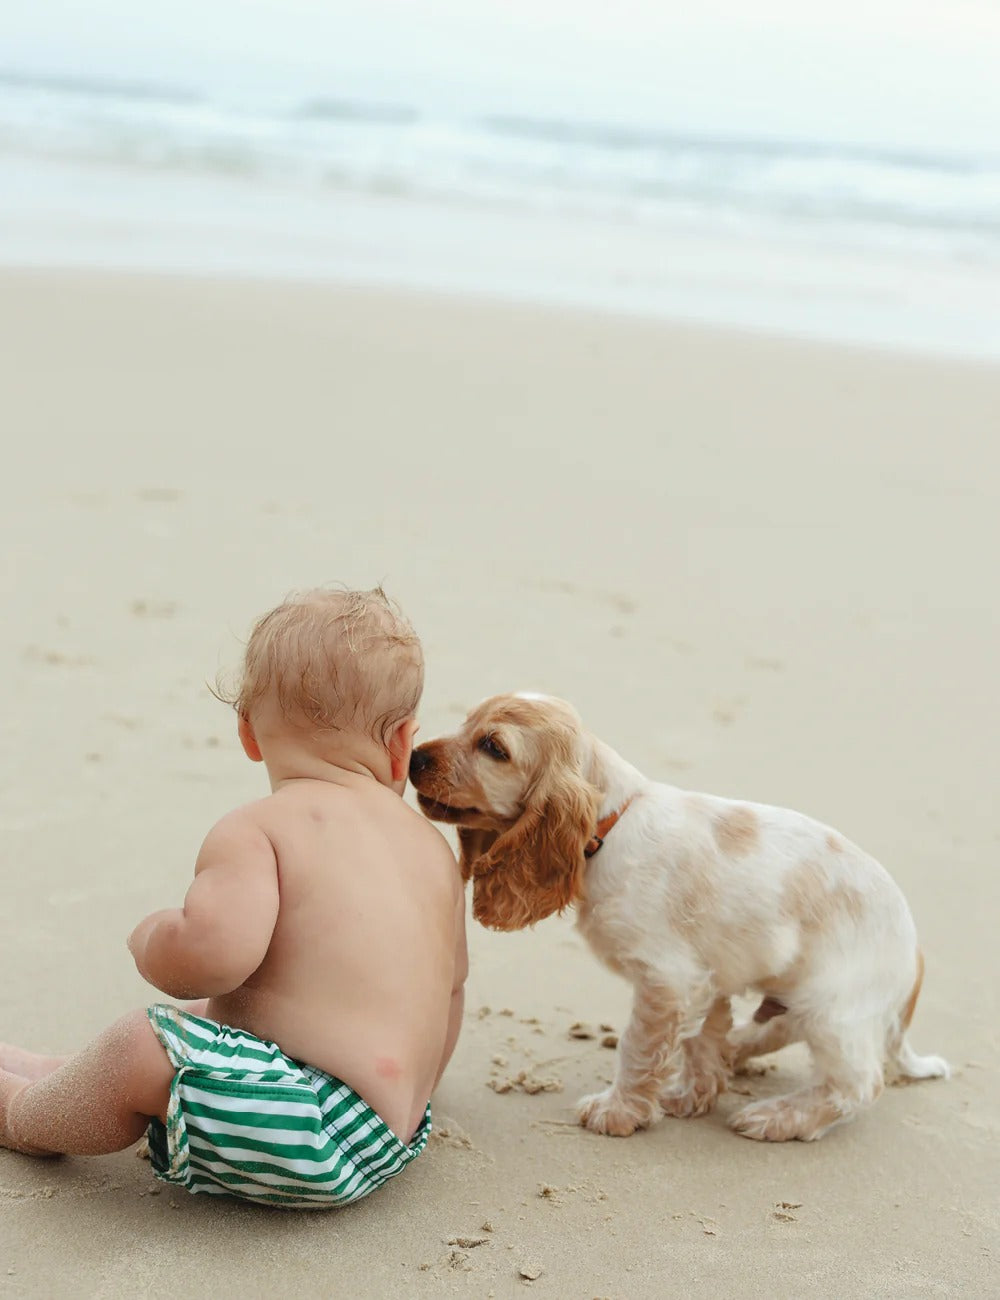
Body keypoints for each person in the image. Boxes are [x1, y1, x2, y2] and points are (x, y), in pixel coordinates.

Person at [0, 587, 467, 1207]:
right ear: (402, 743)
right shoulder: (432, 849)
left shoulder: (260, 828)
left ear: (248, 732)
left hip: (312, 1132)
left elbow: (210, 960)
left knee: (140, 1045)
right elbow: (451, 990)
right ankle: (55, 1072)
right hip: (396, 1132)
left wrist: (155, 938)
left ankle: (23, 1115)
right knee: (228, 1016)